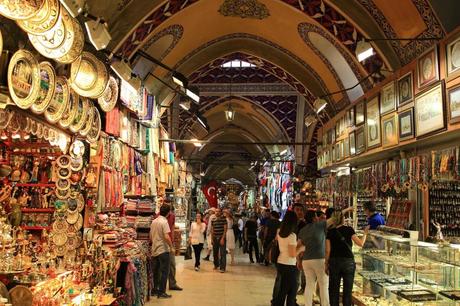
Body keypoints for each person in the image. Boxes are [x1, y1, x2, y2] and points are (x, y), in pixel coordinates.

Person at [297, 209, 340, 306]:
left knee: (309, 285)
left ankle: (308, 304)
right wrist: (347, 209)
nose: (318, 218)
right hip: (319, 259)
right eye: (316, 216)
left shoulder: (302, 230)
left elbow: (298, 246)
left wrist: (298, 260)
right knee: (324, 285)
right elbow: (335, 218)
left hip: (306, 260)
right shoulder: (320, 225)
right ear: (313, 218)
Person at [326, 210, 369, 306]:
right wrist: (365, 234)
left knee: (334, 290)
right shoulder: (349, 229)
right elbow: (360, 243)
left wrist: (326, 264)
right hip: (348, 262)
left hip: (334, 262)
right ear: (342, 219)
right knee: (347, 291)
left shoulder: (329, 232)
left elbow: (327, 250)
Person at [272, 211, 299, 306]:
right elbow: (292, 254)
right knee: (290, 290)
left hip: (281, 262)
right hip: (289, 265)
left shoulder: (279, 232)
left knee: (284, 288)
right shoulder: (292, 236)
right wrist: (302, 248)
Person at [150, 204, 174, 299]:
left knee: (156, 271)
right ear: (168, 213)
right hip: (163, 250)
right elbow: (166, 236)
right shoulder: (164, 222)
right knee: (165, 271)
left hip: (155, 249)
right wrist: (171, 247)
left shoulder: (154, 221)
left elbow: (151, 236)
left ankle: (155, 290)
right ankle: (162, 292)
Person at [166, 205, 183, 291]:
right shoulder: (158, 216)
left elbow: (172, 229)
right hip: (163, 243)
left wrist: (172, 242)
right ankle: (159, 286)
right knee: (162, 265)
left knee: (172, 264)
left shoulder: (172, 216)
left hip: (168, 243)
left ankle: (172, 284)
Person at [292, 203, 306, 295]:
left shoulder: (304, 224)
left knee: (300, 272)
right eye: (297, 209)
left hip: (300, 251)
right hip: (290, 252)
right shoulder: (290, 223)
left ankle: (303, 288)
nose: (299, 212)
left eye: (301, 210)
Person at [211, 208, 228, 272]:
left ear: (220, 212)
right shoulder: (213, 220)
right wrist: (212, 239)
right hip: (215, 238)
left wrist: (223, 238)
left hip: (221, 237)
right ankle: (216, 265)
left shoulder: (224, 219)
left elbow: (225, 229)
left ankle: (222, 267)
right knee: (215, 253)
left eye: (218, 211)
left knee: (222, 253)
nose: (217, 212)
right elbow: (212, 230)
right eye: (216, 211)